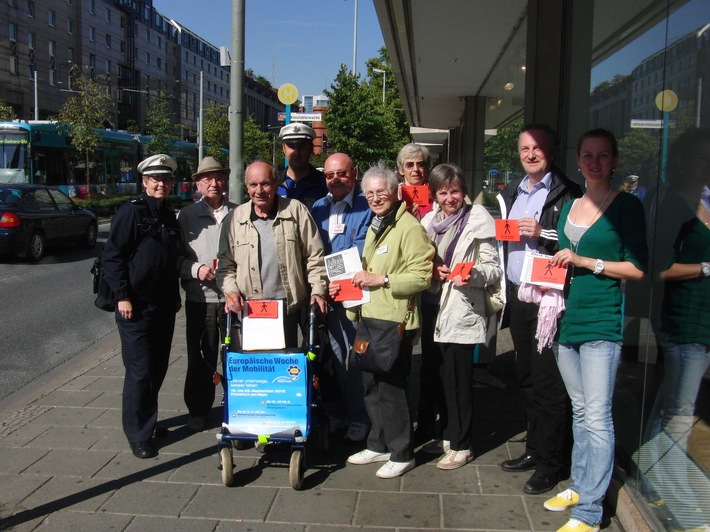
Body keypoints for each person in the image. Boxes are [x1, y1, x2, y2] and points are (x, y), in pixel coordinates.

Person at [545, 128, 647, 532]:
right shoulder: (570, 205)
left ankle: (590, 510)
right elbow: (561, 255)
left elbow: (637, 269)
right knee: (582, 410)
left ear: (615, 160)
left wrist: (588, 262)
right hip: (565, 319)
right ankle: (581, 485)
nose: (594, 162)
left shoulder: (626, 208)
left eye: (603, 155)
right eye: (588, 155)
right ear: (578, 159)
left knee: (599, 416)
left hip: (602, 320)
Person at [332, 163, 434, 479]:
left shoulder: (409, 227)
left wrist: (383, 279)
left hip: (394, 318)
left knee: (393, 389)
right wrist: (344, 290)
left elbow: (422, 276)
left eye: (382, 191)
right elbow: (362, 274)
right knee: (370, 386)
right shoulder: (377, 223)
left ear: (395, 191)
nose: (376, 198)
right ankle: (377, 445)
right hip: (368, 316)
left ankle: (402, 452)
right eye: (370, 193)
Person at [496, 124, 583, 494]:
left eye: (538, 148)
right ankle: (534, 449)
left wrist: (542, 233)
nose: (530, 154)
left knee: (549, 384)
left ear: (552, 150)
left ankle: (551, 463)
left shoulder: (569, 192)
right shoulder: (513, 190)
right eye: (525, 149)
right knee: (527, 377)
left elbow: (577, 239)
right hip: (520, 295)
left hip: (550, 300)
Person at [637, 128, 710, 530]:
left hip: (701, 320)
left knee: (672, 408)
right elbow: (659, 268)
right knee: (680, 415)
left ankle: (649, 478)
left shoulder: (702, 201)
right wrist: (705, 268)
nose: (707, 165)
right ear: (682, 162)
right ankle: (678, 493)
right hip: (682, 321)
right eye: (701, 158)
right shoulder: (672, 206)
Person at [419, 163, 501, 469]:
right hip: (432, 305)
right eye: (443, 192)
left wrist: (473, 273)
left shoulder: (478, 220)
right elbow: (421, 261)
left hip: (461, 307)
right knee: (438, 376)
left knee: (459, 380)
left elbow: (493, 268)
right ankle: (447, 437)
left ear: (463, 191)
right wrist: (432, 270)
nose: (450, 197)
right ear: (435, 195)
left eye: (455, 191)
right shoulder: (429, 221)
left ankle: (463, 444)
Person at [101, 154, 183, 459]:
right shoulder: (130, 213)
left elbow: (169, 262)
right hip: (134, 306)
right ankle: (137, 433)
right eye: (155, 179)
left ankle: (147, 420)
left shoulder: (168, 216)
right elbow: (113, 257)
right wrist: (122, 295)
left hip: (162, 305)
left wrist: (175, 296)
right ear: (145, 182)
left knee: (158, 367)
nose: (161, 184)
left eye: (166, 180)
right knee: (140, 369)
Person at [217, 160, 328, 347]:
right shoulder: (234, 219)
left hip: (288, 307)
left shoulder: (296, 211)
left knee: (287, 369)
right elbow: (225, 266)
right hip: (250, 309)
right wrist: (231, 292)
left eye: (265, 183)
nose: (259, 190)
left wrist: (318, 290)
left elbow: (315, 256)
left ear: (276, 184)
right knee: (256, 369)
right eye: (253, 184)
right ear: (247, 187)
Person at [311, 152, 373, 442]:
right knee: (330, 361)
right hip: (324, 297)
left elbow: (357, 253)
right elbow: (309, 250)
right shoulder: (318, 208)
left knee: (354, 360)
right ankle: (338, 413)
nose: (335, 179)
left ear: (354, 173)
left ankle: (361, 418)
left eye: (342, 173)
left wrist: (326, 275)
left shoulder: (366, 207)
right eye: (329, 174)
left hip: (354, 298)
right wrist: (320, 283)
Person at [178, 156, 236, 432]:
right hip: (202, 300)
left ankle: (237, 407)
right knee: (202, 355)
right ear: (198, 183)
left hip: (234, 299)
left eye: (218, 177)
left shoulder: (239, 212)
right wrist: (195, 269)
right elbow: (175, 259)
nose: (214, 183)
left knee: (237, 356)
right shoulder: (186, 216)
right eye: (207, 178)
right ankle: (198, 410)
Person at [277, 123, 328, 208]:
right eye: (291, 146)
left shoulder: (324, 184)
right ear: (284, 148)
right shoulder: (274, 183)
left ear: (311, 148)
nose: (296, 152)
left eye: (301, 146)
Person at [397, 143, 433, 219]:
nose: (415, 169)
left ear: (426, 168)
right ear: (401, 170)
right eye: (410, 165)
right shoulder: (394, 195)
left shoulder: (436, 193)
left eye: (420, 164)